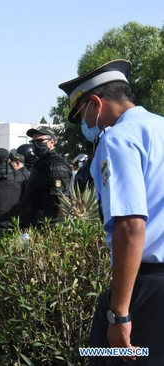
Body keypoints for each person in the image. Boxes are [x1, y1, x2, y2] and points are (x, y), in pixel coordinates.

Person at [60, 59, 164, 364]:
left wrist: (119, 315)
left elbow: (130, 226)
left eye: (82, 115)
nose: (86, 125)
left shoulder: (118, 138)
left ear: (95, 103)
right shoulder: (159, 127)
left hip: (148, 289)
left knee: (109, 355)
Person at [20, 126, 71, 228]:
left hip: (46, 225)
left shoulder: (56, 164)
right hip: (33, 222)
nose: (36, 145)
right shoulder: (40, 162)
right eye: (33, 142)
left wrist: (60, 230)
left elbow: (62, 200)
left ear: (52, 142)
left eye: (40, 141)